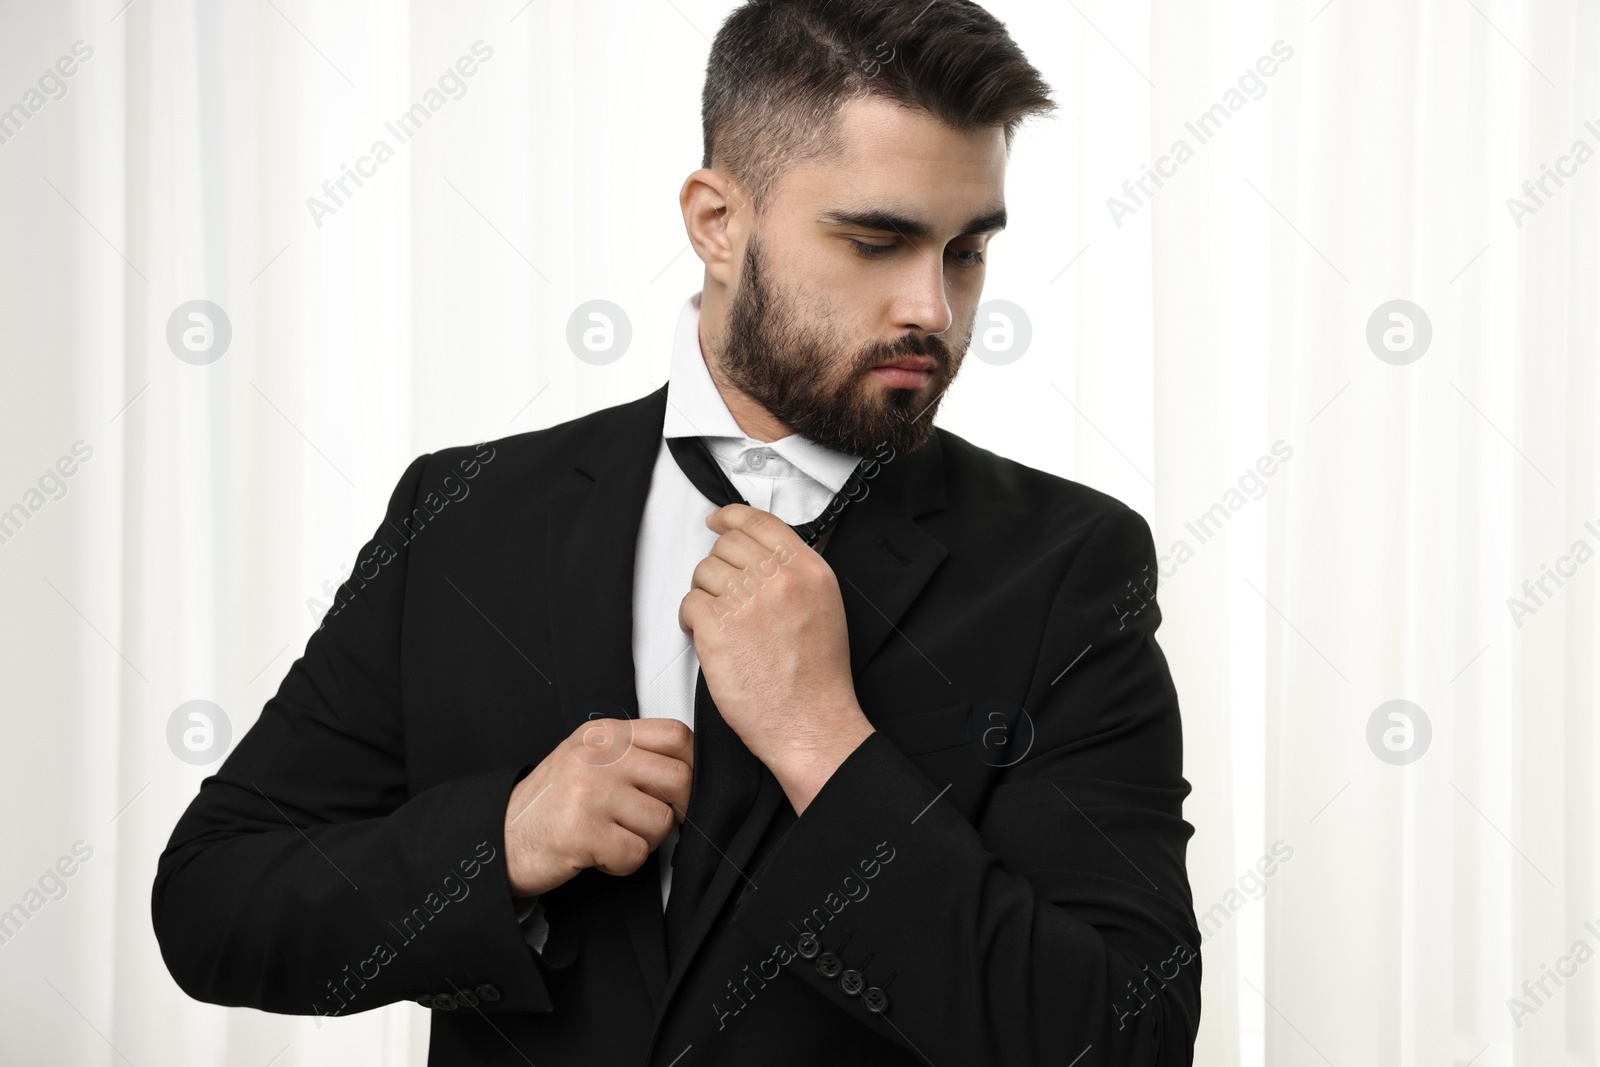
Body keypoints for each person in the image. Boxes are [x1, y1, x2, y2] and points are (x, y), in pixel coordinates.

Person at [151, 1, 1201, 1063]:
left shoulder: (1068, 564)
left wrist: (822, 743)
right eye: (876, 240)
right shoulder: (463, 515)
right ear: (715, 222)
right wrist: (501, 843)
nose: (930, 307)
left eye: (966, 251)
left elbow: (1125, 1033)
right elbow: (212, 900)